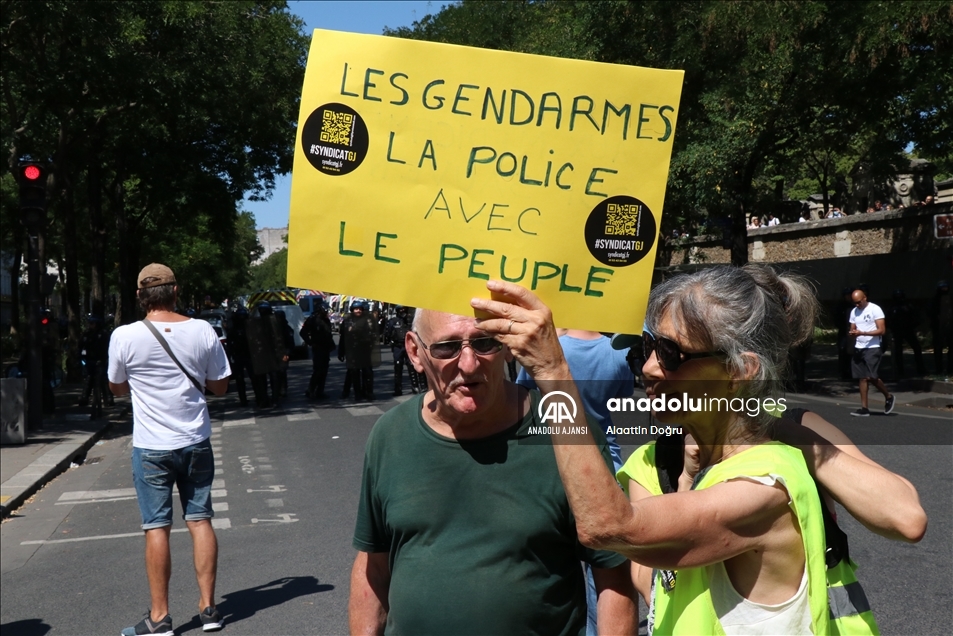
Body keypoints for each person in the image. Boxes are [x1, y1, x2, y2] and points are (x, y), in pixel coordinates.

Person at [471, 269, 926, 635]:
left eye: (671, 355)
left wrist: (553, 372)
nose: (649, 368)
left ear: (739, 370)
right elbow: (652, 582)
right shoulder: (656, 461)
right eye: (646, 348)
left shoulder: (770, 475)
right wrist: (689, 477)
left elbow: (607, 526)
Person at [348, 308, 636, 635]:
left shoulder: (566, 432)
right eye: (447, 347)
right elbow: (373, 567)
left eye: (485, 343)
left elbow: (613, 577)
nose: (469, 364)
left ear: (508, 346)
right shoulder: (390, 435)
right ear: (415, 352)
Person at [108, 263, 230, 635]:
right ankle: (209, 609)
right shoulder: (202, 329)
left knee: (157, 528)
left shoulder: (124, 335)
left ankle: (160, 617)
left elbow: (117, 388)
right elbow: (220, 386)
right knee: (200, 520)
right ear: (176, 291)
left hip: (151, 446)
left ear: (140, 296)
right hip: (194, 440)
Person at [516, 328, 634, 635]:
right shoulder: (617, 352)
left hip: (555, 457)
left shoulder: (546, 348)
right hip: (607, 461)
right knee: (607, 567)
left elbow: (522, 394)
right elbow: (622, 398)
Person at [849, 289, 895, 416]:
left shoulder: (875, 309)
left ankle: (888, 396)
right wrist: (853, 333)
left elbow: (882, 330)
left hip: (873, 347)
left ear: (865, 298)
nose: (857, 305)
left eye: (859, 302)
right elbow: (852, 328)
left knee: (871, 377)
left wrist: (862, 333)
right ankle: (864, 408)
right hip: (859, 347)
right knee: (862, 377)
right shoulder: (854, 311)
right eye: (854, 303)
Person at [338, 299, 377, 400]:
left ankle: (368, 392)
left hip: (364, 350)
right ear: (352, 310)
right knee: (353, 372)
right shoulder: (347, 321)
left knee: (367, 371)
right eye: (356, 309)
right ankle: (356, 393)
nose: (358, 311)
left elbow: (373, 334)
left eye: (360, 309)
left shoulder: (367, 320)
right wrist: (341, 352)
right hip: (352, 351)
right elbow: (343, 338)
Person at [383, 305, 422, 396]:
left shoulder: (410, 320)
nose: (402, 311)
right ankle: (398, 389)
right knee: (398, 367)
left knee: (411, 366)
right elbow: (387, 333)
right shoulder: (393, 321)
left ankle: (415, 387)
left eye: (404, 309)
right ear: (397, 311)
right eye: (400, 309)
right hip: (398, 347)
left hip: (408, 346)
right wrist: (390, 341)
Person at [300, 301, 336, 399]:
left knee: (324, 371)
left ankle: (320, 391)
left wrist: (331, 345)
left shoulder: (326, 320)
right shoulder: (312, 319)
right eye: (325, 310)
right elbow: (303, 332)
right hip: (318, 348)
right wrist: (310, 342)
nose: (327, 312)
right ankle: (310, 390)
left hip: (325, 348)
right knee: (318, 371)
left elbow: (328, 334)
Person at [888, 290, 926, 378]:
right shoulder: (893, 308)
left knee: (916, 348)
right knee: (898, 351)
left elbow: (916, 317)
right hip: (898, 331)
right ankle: (900, 370)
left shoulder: (908, 307)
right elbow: (889, 320)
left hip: (908, 330)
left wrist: (912, 326)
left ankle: (920, 368)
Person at [78, 313, 111, 417]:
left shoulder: (104, 334)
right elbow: (81, 347)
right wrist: (82, 356)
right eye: (89, 323)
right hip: (88, 360)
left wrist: (105, 359)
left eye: (92, 323)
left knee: (103, 379)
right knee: (88, 379)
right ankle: (84, 398)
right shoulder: (86, 334)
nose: (90, 325)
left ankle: (108, 398)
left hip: (100, 360)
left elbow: (107, 348)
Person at [226, 306, 252, 407]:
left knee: (249, 378)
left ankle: (246, 399)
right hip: (240, 356)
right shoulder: (234, 330)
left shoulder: (248, 328)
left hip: (245, 355)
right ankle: (244, 399)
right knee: (241, 379)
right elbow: (229, 344)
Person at [930, 280, 952, 375]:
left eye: (945, 288)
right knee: (938, 348)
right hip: (938, 327)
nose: (944, 289)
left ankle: (950, 368)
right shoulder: (935, 300)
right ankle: (939, 369)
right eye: (942, 288)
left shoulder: (950, 298)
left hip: (950, 327)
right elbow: (930, 313)